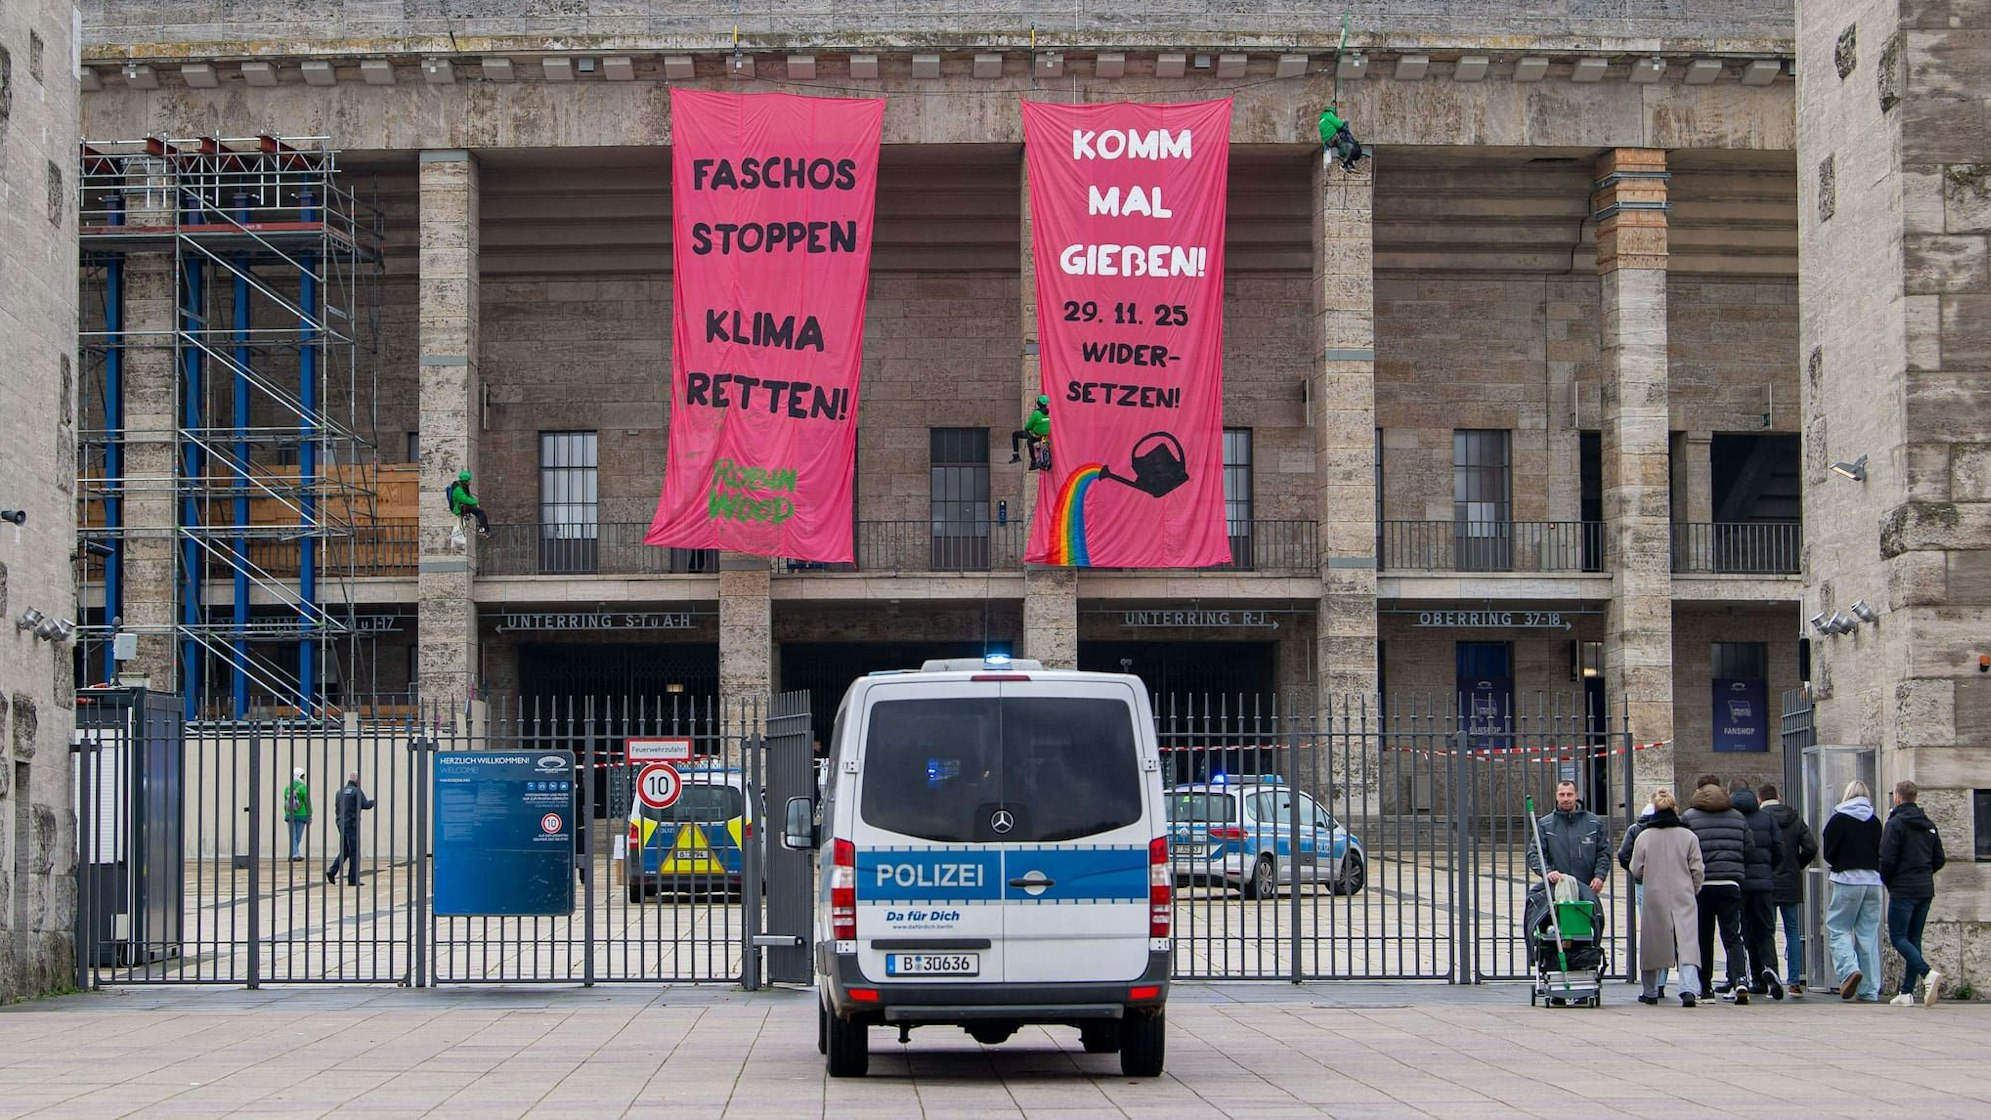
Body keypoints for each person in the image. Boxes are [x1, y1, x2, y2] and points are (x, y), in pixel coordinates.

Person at [1522, 779, 1609, 975]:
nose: (1566, 798)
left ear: (1576, 795)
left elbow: (1603, 852)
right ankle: (1554, 976)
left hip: (1585, 890)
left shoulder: (1593, 822)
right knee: (1553, 934)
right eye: (1562, 794)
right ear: (1556, 796)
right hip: (1555, 891)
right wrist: (1547, 871)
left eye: (1569, 794)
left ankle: (1585, 972)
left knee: (1587, 932)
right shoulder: (1545, 824)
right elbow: (1534, 854)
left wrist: (1600, 876)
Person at [1681, 773, 1754, 1003]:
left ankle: (1705, 988)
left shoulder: (1689, 817)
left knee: (1703, 936)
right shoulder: (1738, 817)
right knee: (1732, 935)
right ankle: (1740, 979)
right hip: (1731, 883)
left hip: (1702, 884)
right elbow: (1749, 848)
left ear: (1698, 791)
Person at [1630, 788, 1704, 1006]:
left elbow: (1636, 869)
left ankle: (1651, 991)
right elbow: (1697, 870)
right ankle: (1688, 988)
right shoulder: (1689, 836)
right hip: (1683, 894)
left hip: (1654, 894)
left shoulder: (1644, 836)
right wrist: (1693, 889)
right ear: (1675, 809)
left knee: (1653, 943)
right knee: (1687, 942)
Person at [1879, 779, 1947, 1006]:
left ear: (1897, 797)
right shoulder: (1928, 824)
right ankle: (1907, 992)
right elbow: (1939, 859)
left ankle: (1927, 973)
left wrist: (1889, 881)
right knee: (1913, 938)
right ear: (1914, 797)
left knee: (1898, 937)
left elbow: (1887, 859)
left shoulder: (1895, 824)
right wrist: (1925, 873)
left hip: (1903, 887)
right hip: (1925, 888)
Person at [1821, 779, 1884, 1002]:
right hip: (1873, 882)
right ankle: (1869, 989)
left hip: (1847, 880)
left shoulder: (1838, 820)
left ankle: (1849, 971)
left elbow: (1828, 852)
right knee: (1867, 936)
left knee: (1839, 929)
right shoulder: (1875, 821)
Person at [1728, 779, 1785, 999]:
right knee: (1765, 929)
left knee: (1743, 931)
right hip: (1763, 882)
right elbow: (1779, 847)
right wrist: (1770, 869)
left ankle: (1755, 979)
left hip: (1740, 882)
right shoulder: (1766, 818)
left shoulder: (1732, 818)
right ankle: (1770, 969)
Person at [1759, 782, 1818, 994]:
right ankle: (1794, 980)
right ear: (1779, 797)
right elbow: (1811, 846)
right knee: (1792, 930)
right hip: (1791, 880)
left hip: (1767, 880)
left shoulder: (1761, 818)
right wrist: (1797, 865)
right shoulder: (1794, 818)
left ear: (1760, 799)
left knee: (1768, 931)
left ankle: (1771, 976)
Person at [1617, 801, 1668, 997]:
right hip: (1667, 883)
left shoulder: (1635, 829)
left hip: (1643, 883)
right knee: (1667, 931)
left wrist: (1637, 872)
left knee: (1650, 931)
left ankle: (1652, 985)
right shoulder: (1669, 828)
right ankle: (1661, 982)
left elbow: (1623, 855)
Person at [325, 771, 376, 886]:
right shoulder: (356, 792)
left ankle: (332, 871)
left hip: (340, 823)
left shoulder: (340, 792)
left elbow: (337, 808)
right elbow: (365, 805)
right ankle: (353, 879)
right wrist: (373, 802)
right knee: (354, 852)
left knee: (345, 850)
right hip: (351, 825)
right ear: (357, 780)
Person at [1318, 104, 1366, 171]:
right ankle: (1345, 164)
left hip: (1327, 141)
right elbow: (1339, 125)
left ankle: (1348, 163)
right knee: (1347, 143)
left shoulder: (1322, 118)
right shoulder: (1329, 116)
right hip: (1332, 137)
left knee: (1343, 147)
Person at [1009, 395, 1051, 469]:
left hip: (1036, 435)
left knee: (1016, 435)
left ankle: (1028, 460)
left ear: (1039, 403)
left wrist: (1028, 429)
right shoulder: (1047, 414)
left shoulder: (1037, 413)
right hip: (1044, 435)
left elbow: (1028, 426)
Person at [445, 469, 491, 537]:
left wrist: (475, 503)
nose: (470, 482)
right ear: (464, 481)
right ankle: (483, 529)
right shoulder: (458, 490)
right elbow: (465, 499)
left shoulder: (463, 487)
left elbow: (469, 496)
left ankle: (485, 529)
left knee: (480, 512)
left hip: (464, 506)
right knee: (480, 512)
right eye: (469, 481)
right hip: (459, 508)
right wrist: (475, 502)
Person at [282, 767, 312, 862]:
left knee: (292, 836)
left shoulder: (287, 787)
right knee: (298, 836)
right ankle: (295, 854)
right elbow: (307, 802)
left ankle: (293, 853)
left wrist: (286, 812)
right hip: (301, 814)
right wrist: (309, 814)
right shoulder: (303, 787)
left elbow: (285, 802)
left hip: (290, 814)